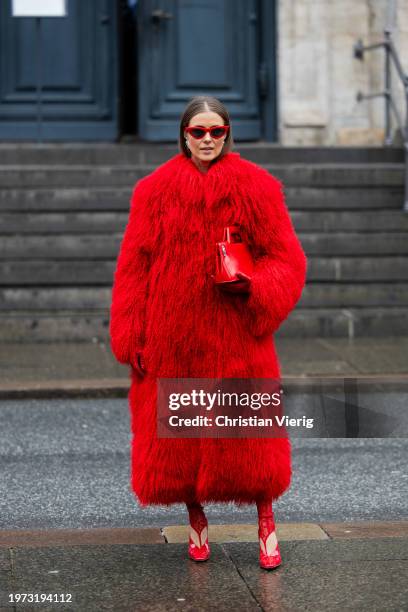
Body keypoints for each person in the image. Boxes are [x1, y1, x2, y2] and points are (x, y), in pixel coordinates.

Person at [110, 96, 307, 569]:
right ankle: (195, 517)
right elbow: (135, 267)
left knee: (249, 435)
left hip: (236, 333)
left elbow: (287, 258)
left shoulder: (255, 187)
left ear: (227, 133)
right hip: (172, 333)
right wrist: (131, 332)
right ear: (183, 135)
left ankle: (266, 519)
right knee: (180, 439)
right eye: (198, 132)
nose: (206, 140)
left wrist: (254, 285)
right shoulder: (153, 191)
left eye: (215, 131)